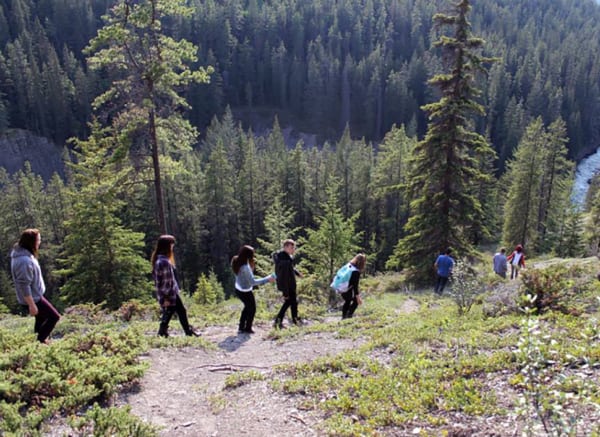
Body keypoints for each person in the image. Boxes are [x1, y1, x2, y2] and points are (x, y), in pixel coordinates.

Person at [10, 228, 60, 344]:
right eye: (38, 240)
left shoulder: (25, 254)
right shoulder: (24, 261)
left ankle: (39, 342)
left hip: (35, 295)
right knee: (54, 317)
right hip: (33, 298)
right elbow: (24, 285)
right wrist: (32, 305)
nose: (39, 242)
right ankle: (40, 342)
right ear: (31, 242)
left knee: (41, 318)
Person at [151, 235, 200, 337]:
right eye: (171, 244)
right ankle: (165, 331)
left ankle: (182, 331)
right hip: (169, 293)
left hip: (169, 292)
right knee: (173, 311)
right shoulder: (164, 262)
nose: (173, 247)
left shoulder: (159, 260)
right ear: (167, 246)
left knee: (175, 311)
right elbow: (166, 282)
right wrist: (166, 297)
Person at [231, 245, 275, 334]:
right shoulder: (245, 267)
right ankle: (247, 328)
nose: (254, 256)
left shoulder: (236, 259)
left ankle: (241, 327)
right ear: (248, 255)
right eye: (253, 254)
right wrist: (267, 279)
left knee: (247, 307)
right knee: (252, 308)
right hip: (245, 291)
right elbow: (253, 282)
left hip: (238, 289)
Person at [273, 239, 302, 328]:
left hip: (290, 284)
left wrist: (297, 273)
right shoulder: (284, 260)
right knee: (289, 302)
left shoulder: (286, 257)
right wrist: (285, 292)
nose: (293, 249)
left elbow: (290, 268)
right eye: (291, 247)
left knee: (293, 302)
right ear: (285, 247)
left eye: (294, 247)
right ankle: (278, 321)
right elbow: (284, 277)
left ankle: (294, 319)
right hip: (287, 285)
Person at [340, 253, 367, 319]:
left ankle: (344, 317)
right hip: (347, 288)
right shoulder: (356, 272)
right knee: (355, 301)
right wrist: (358, 297)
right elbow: (355, 286)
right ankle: (348, 316)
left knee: (347, 301)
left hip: (341, 286)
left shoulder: (349, 266)